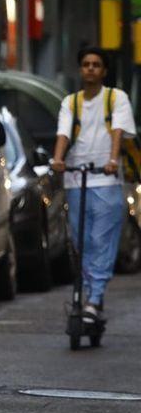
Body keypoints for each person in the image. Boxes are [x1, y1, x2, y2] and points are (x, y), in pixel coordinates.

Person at [50, 47, 136, 324]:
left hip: (107, 179)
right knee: (81, 242)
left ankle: (95, 297)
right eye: (86, 64)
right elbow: (63, 132)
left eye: (96, 64)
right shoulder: (70, 102)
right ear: (80, 69)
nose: (90, 68)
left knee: (102, 240)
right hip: (76, 180)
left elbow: (118, 131)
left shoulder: (116, 98)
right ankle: (88, 295)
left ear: (104, 71)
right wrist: (58, 159)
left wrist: (113, 159)